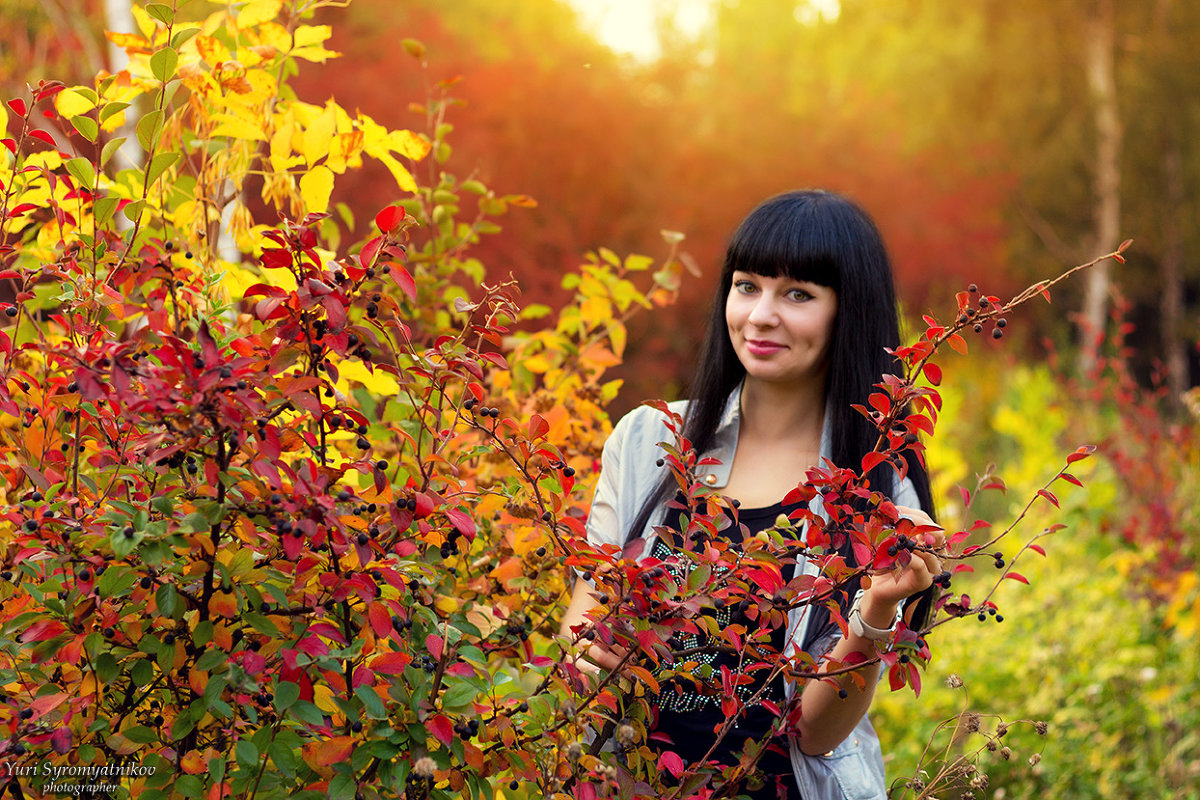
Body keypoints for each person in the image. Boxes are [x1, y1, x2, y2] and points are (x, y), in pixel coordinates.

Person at [560, 190, 945, 800]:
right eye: (748, 285)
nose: (761, 315)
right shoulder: (649, 440)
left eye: (799, 294)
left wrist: (875, 613)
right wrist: (585, 660)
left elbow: (816, 736)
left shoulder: (875, 489)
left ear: (849, 313)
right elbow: (584, 621)